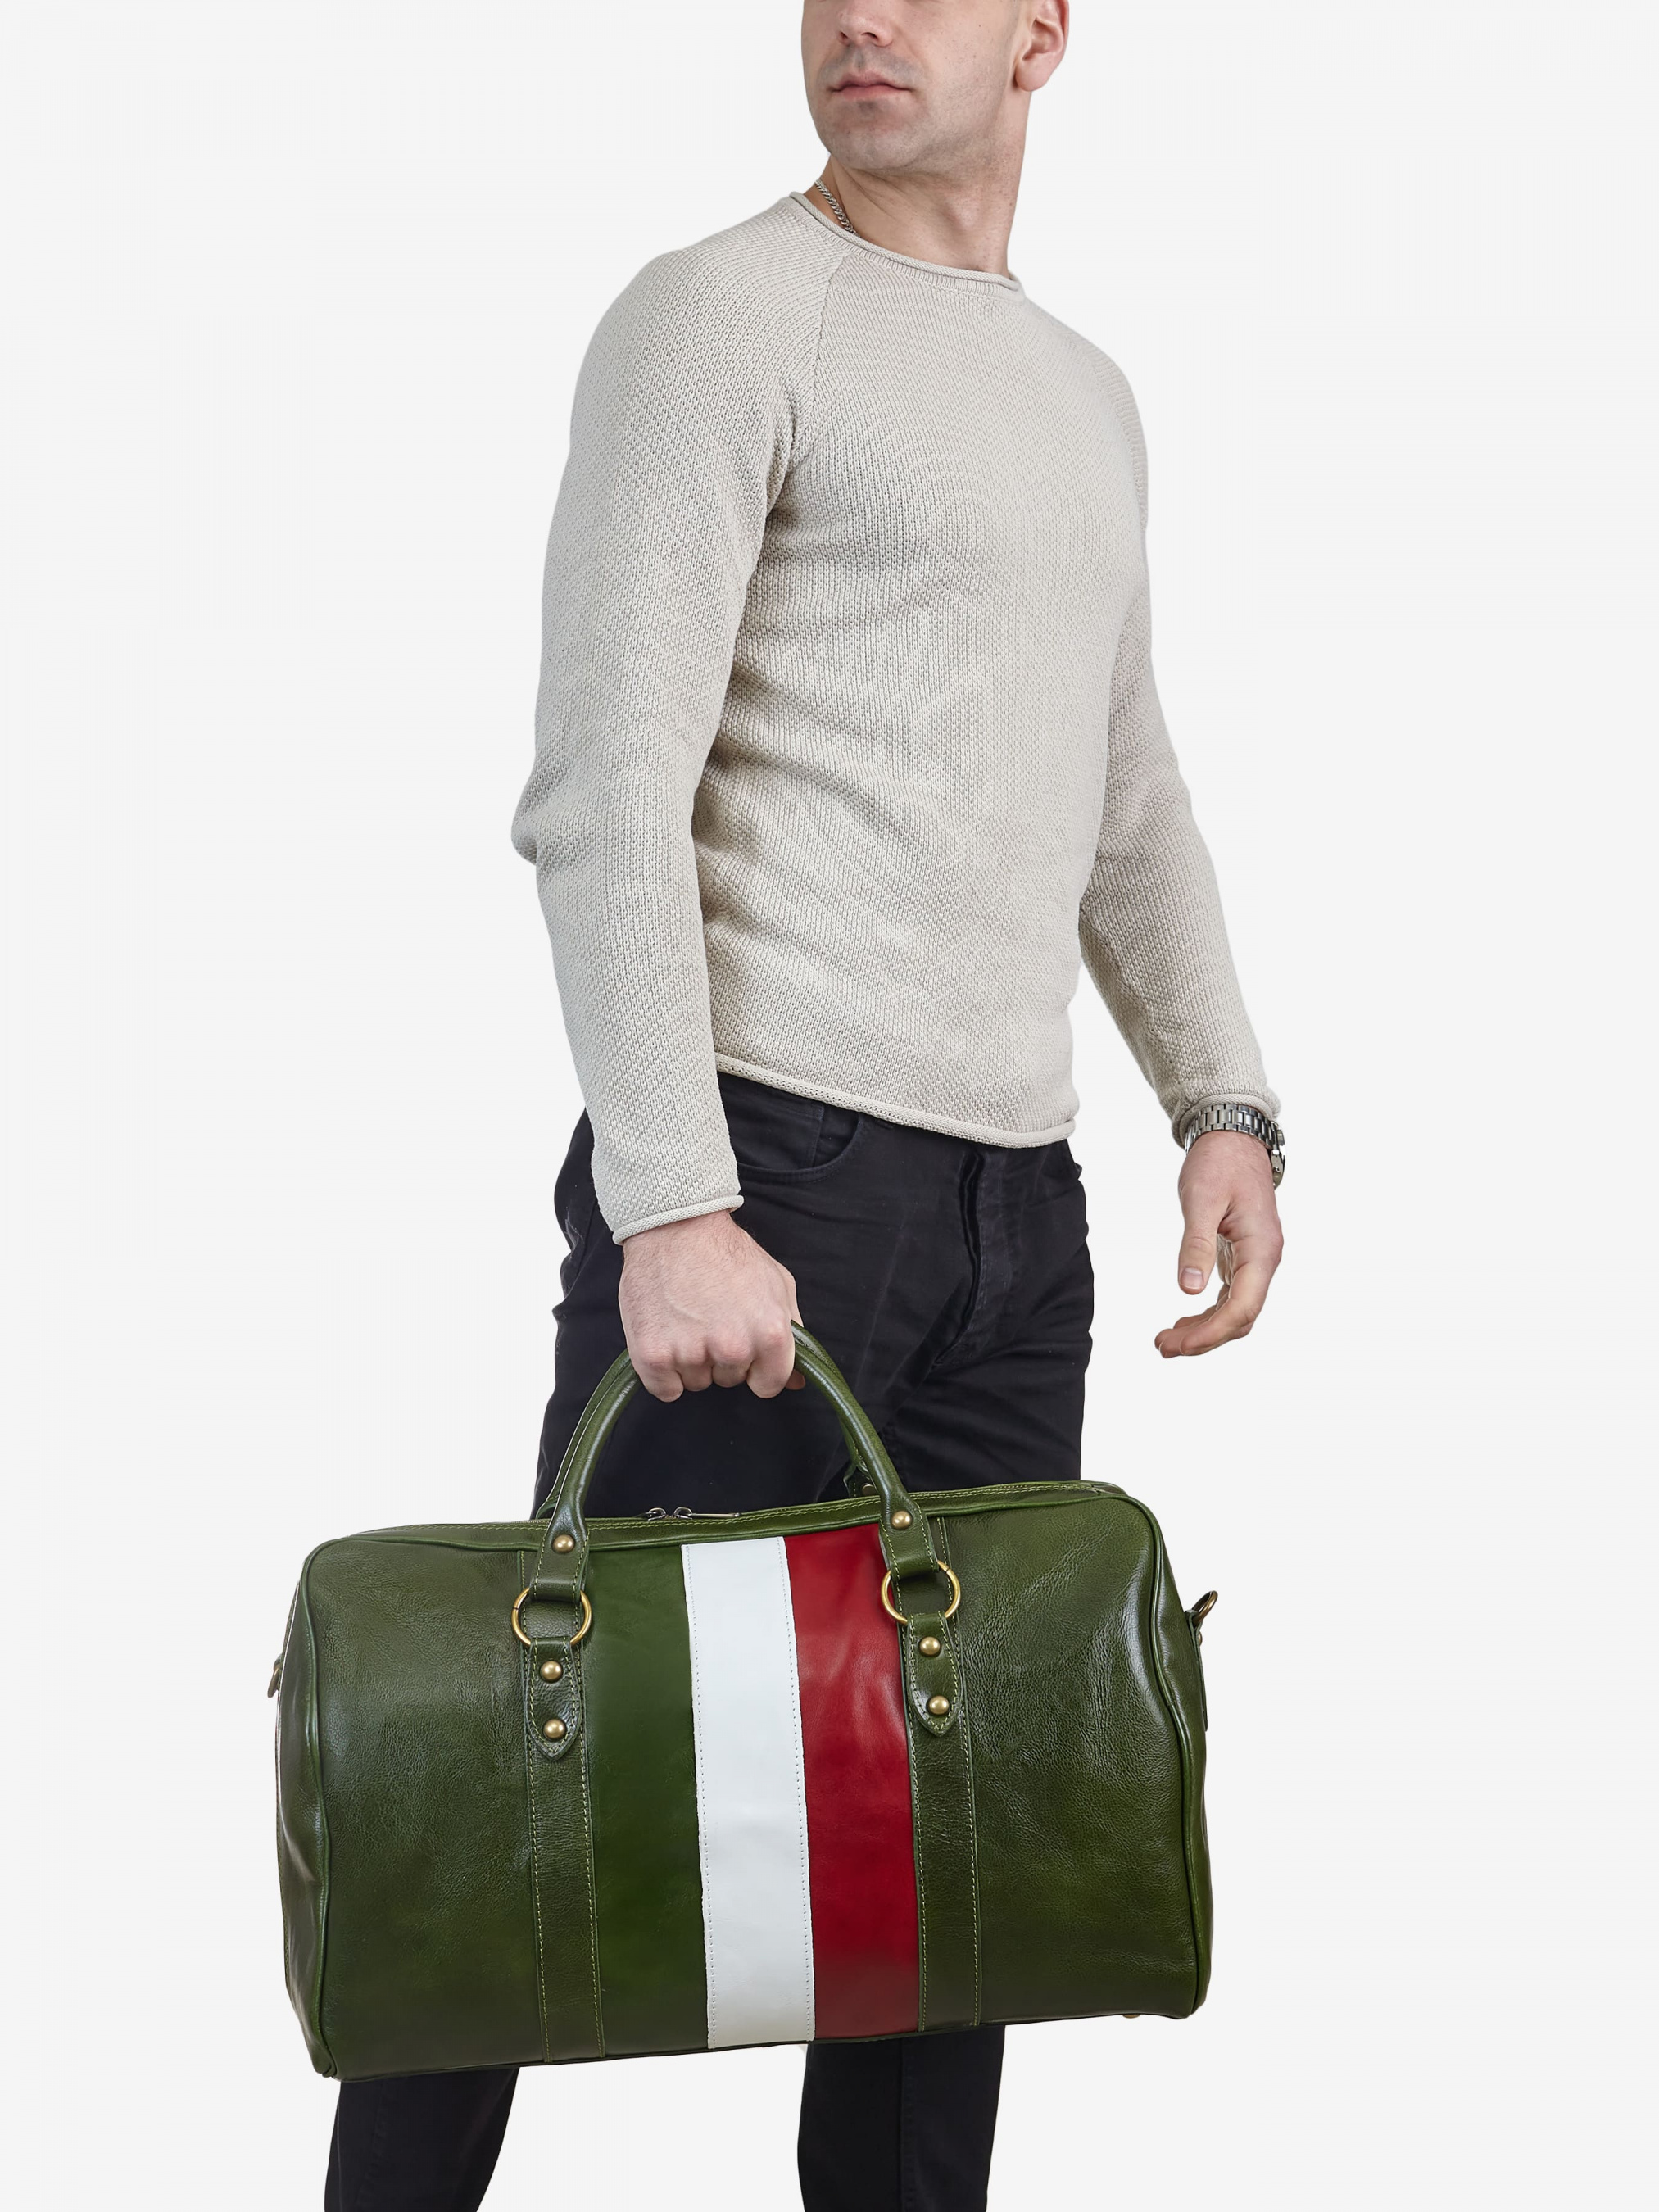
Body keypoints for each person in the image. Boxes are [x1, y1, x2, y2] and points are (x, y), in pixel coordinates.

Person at [324, 2, 1284, 2206]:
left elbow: (1125, 786)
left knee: (953, 1851)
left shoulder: (1084, 391)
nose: (862, 17)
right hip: (769, 1173)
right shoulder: (721, 318)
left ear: (1041, 32)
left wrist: (1219, 1097)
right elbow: (604, 788)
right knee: (532, 1791)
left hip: (1013, 1211)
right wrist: (670, 1194)